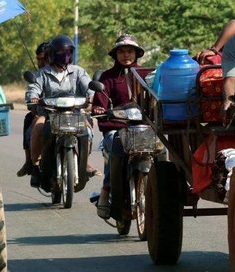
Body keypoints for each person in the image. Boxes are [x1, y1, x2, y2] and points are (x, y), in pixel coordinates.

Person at [25, 35, 95, 187]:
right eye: (61, 52)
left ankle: (85, 161)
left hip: (75, 113)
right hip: (49, 114)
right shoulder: (42, 73)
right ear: (51, 54)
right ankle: (36, 165)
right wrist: (33, 98)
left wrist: (92, 96)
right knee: (37, 126)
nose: (65, 55)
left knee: (87, 129)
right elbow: (33, 89)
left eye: (69, 52)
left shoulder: (77, 71)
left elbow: (89, 87)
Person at [91, 34, 145, 218]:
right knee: (114, 145)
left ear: (136, 53)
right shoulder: (107, 77)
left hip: (142, 128)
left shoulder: (146, 74)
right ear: (115, 55)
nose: (126, 55)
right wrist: (99, 108)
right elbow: (100, 101)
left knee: (161, 150)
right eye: (121, 51)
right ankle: (106, 190)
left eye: (130, 51)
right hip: (116, 127)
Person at [16, 41, 48, 177]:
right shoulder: (38, 76)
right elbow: (32, 92)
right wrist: (33, 100)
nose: (41, 63)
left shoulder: (68, 71)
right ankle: (29, 161)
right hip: (45, 113)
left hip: (66, 113)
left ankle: (84, 162)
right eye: (38, 59)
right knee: (29, 118)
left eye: (44, 59)